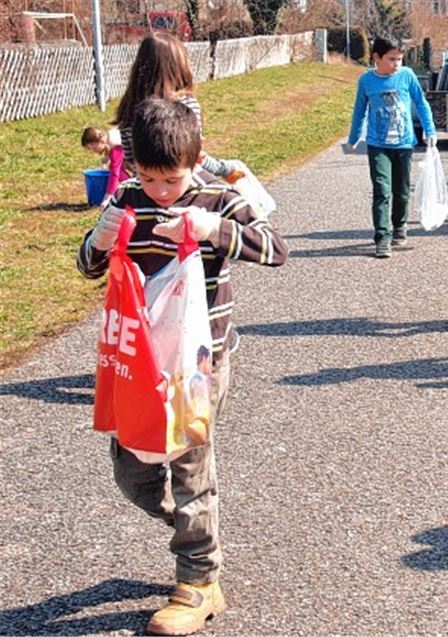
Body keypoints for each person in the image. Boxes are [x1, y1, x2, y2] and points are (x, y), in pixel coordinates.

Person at [77, 97, 289, 636]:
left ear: (195, 163)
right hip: (140, 361)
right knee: (133, 473)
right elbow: (88, 266)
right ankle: (195, 524)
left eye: (170, 180)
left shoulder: (219, 197)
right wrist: (98, 242)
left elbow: (275, 250)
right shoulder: (128, 195)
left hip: (199, 361)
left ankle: (199, 581)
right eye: (148, 178)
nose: (159, 192)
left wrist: (212, 228)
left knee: (190, 467)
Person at [348, 35, 437, 258]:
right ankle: (382, 236)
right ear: (377, 58)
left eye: (399, 59)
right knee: (381, 191)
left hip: (404, 143)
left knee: (402, 190)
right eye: (391, 59)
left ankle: (400, 226)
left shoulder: (406, 76)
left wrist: (430, 130)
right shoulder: (367, 81)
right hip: (378, 144)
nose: (397, 64)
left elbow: (421, 102)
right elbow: (359, 110)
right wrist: (354, 136)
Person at [113, 32, 235, 180]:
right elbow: (196, 158)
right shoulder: (186, 106)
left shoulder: (128, 108)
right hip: (184, 189)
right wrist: (225, 169)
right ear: (179, 66)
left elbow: (131, 161)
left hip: (146, 188)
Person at [81, 126, 131, 204]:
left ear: (98, 141)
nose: (94, 151)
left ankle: (129, 190)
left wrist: (107, 198)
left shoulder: (116, 147)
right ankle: (127, 190)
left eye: (94, 148)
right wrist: (107, 157)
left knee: (116, 169)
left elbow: (114, 174)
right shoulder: (108, 138)